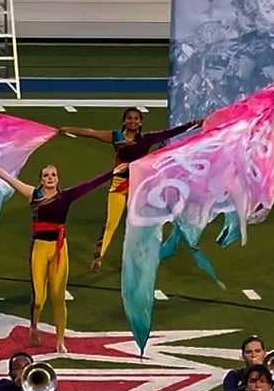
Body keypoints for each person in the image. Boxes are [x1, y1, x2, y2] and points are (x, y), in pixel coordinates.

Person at [0, 154, 125, 353]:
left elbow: (90, 184)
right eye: (46, 175)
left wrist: (113, 172)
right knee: (39, 299)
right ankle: (34, 326)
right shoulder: (33, 195)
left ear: (57, 179)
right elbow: (8, 179)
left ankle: (60, 341)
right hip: (40, 248)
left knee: (58, 297)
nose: (50, 177)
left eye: (53, 175)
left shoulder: (66, 197)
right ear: (41, 179)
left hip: (59, 250)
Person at [59, 109, 201, 271]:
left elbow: (171, 132)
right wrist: (70, 129)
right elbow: (91, 133)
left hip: (139, 187)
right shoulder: (116, 137)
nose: (132, 121)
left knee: (141, 223)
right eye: (129, 118)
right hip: (118, 186)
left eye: (136, 119)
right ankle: (98, 258)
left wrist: (194, 124)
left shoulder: (146, 139)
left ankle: (141, 256)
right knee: (111, 223)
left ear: (140, 122)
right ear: (124, 121)